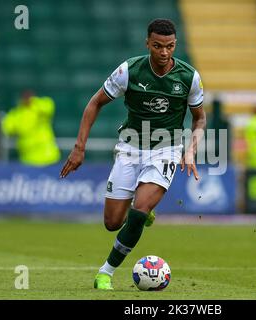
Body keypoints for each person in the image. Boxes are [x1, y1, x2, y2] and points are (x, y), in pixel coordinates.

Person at [59, 19, 206, 290]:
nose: (164, 53)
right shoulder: (130, 70)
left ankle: (106, 272)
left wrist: (190, 150)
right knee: (112, 223)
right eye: (158, 46)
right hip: (129, 148)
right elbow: (95, 103)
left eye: (170, 46)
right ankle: (142, 212)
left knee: (138, 212)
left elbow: (199, 119)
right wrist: (79, 147)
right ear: (148, 43)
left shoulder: (189, 77)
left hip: (166, 149)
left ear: (175, 45)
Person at [1, 90, 61, 166]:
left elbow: (49, 107)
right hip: (27, 159)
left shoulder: (39, 106)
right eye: (25, 98)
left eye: (29, 97)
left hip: (48, 157)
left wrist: (34, 103)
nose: (27, 99)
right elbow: (7, 127)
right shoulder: (17, 113)